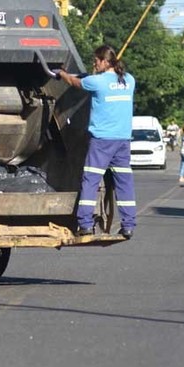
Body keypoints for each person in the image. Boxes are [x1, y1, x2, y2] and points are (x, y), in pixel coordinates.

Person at [56, 45, 136, 239]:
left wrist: (61, 73)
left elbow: (75, 83)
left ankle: (85, 224)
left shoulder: (97, 82)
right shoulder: (129, 80)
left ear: (105, 61)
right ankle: (129, 225)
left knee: (90, 180)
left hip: (102, 141)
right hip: (123, 141)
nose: (94, 64)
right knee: (124, 182)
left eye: (96, 60)